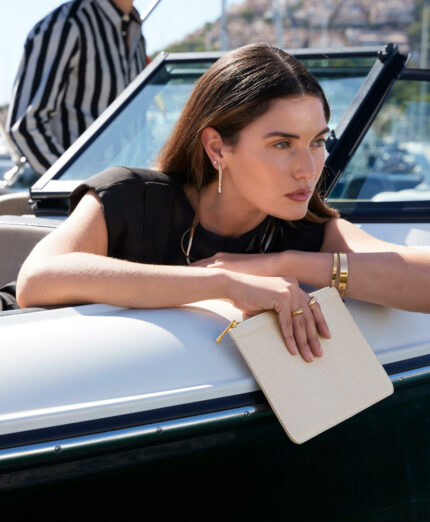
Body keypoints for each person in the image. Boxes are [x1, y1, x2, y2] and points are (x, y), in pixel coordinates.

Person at [15, 43, 430, 362]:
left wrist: (286, 264)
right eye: (282, 144)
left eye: (317, 142)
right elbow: (38, 279)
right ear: (217, 147)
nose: (308, 169)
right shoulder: (131, 196)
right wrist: (224, 283)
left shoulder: (301, 229)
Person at [6, 0, 147, 175]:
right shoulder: (66, 25)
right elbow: (25, 125)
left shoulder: (135, 29)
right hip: (81, 190)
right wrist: (74, 184)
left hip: (132, 187)